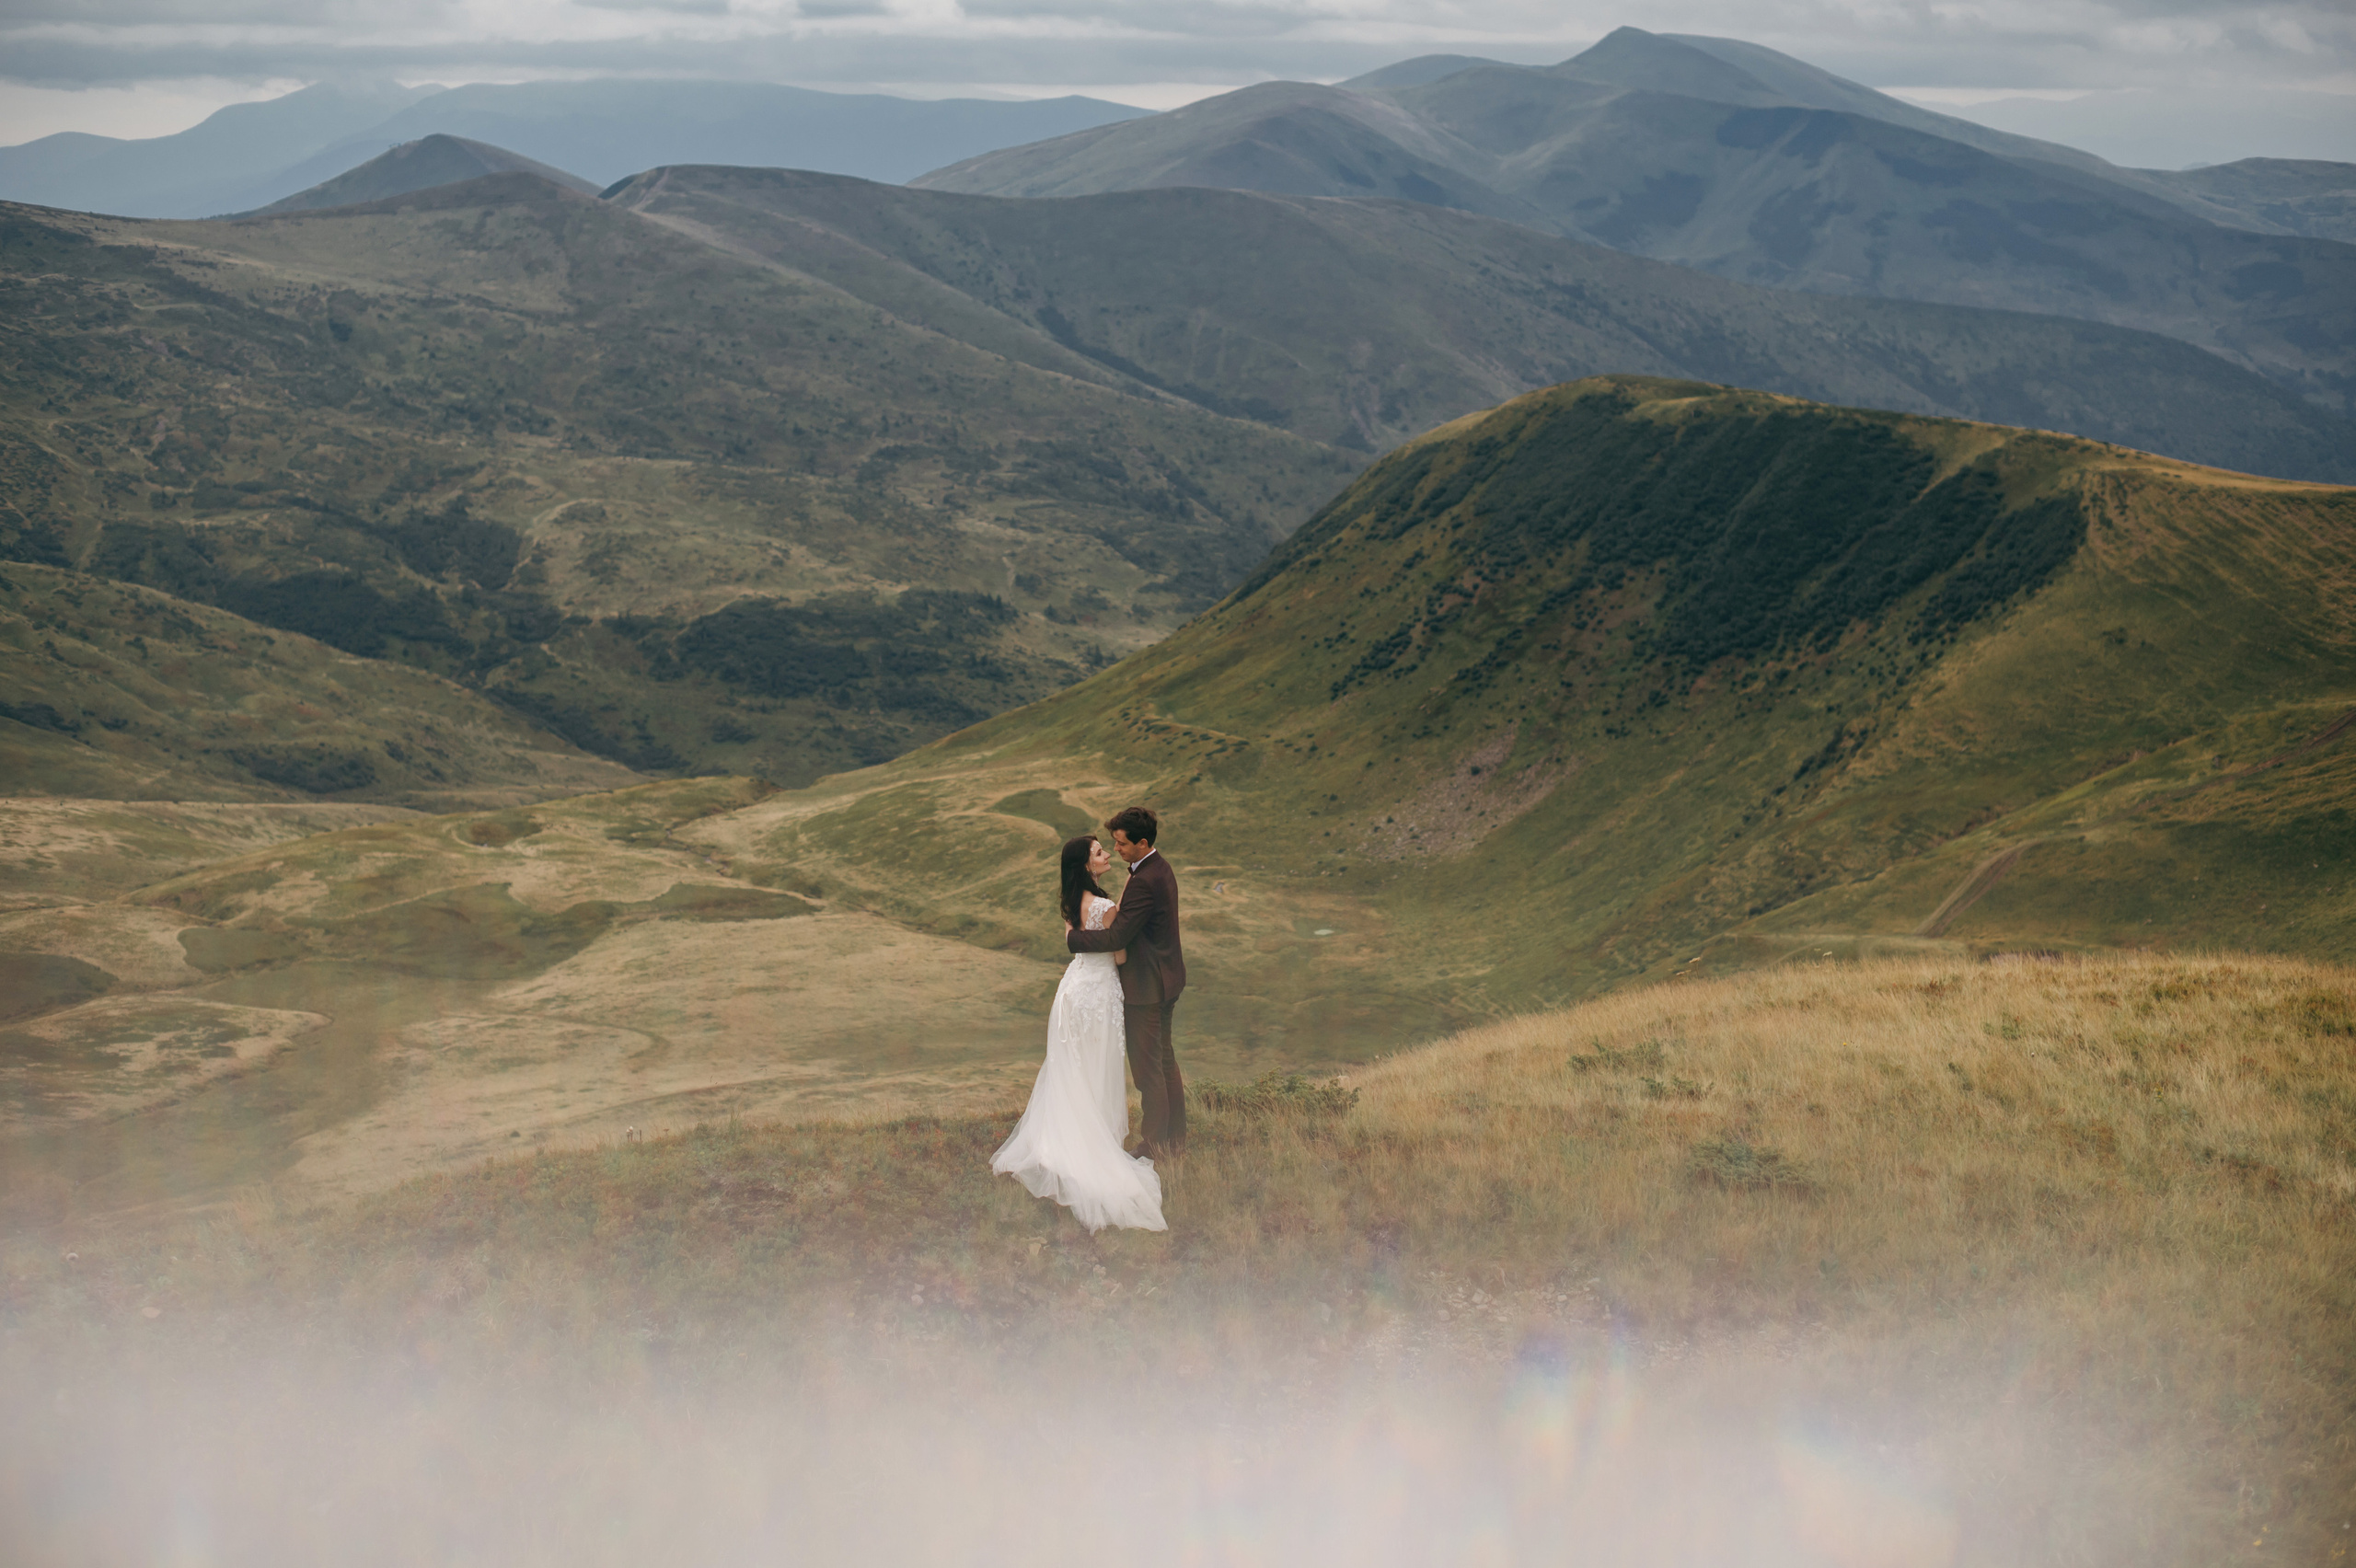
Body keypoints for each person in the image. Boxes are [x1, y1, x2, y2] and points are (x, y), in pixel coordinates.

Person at [989, 834, 1166, 1232]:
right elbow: (1119, 954)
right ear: (1087, 865)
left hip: (1072, 991)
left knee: (1071, 1069)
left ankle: (1060, 1142)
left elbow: (1079, 940)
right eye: (1099, 852)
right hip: (1098, 995)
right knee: (1094, 1071)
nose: (1106, 855)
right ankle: (1090, 1149)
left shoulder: (1072, 902)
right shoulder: (1104, 907)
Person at [1065, 805, 1185, 1159]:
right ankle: (1174, 1140)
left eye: (1120, 843)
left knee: (1148, 1069)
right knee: (1164, 1061)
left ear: (1142, 842)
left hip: (1147, 986)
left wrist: (1075, 940)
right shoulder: (1156, 867)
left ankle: (1155, 1146)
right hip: (1166, 978)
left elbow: (1117, 937)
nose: (1115, 849)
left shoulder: (1146, 880)